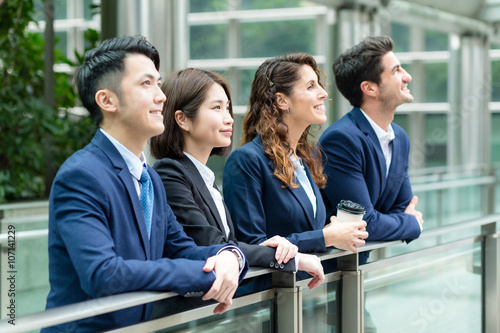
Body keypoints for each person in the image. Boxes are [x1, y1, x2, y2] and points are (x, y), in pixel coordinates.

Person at [42, 36, 247, 333]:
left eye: (159, 83)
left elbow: (181, 248)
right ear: (107, 100)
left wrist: (229, 256)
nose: (161, 96)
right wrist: (207, 275)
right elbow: (103, 273)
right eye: (146, 84)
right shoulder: (81, 175)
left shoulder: (149, 177)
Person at [150, 68, 324, 290]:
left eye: (228, 108)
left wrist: (270, 247)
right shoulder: (170, 173)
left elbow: (229, 246)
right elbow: (215, 246)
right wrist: (293, 258)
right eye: (217, 108)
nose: (229, 118)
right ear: (182, 119)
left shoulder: (203, 178)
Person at [222, 53, 368, 257]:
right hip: (271, 289)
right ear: (282, 100)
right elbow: (251, 246)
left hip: (305, 286)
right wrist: (326, 237)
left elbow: (301, 231)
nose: (323, 93)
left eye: (319, 85)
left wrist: (332, 230)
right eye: (310, 86)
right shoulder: (246, 160)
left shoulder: (303, 159)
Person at [319, 36, 424, 265]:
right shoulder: (342, 139)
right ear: (369, 88)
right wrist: (411, 224)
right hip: (327, 275)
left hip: (359, 269)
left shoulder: (400, 137)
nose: (407, 76)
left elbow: (401, 205)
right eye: (396, 71)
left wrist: (390, 220)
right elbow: (365, 223)